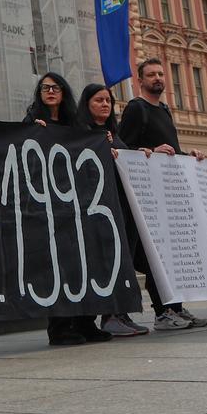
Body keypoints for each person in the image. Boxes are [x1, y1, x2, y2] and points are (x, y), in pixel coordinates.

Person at [116, 57, 207, 330]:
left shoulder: (165, 110)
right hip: (147, 198)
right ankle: (162, 313)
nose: (158, 78)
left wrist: (188, 154)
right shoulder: (136, 108)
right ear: (140, 80)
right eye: (151, 74)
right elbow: (125, 149)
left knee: (172, 255)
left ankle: (176, 307)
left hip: (168, 196)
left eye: (160, 74)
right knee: (156, 256)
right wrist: (150, 153)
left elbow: (170, 149)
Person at [25, 73, 111, 346]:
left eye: (55, 87)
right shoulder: (32, 123)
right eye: (45, 88)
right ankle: (60, 327)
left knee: (83, 263)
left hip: (76, 205)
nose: (50, 92)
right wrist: (31, 132)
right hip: (48, 206)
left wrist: (104, 140)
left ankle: (87, 322)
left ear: (64, 93)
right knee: (57, 266)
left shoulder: (76, 125)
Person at [77, 82, 151, 338]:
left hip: (123, 207)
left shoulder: (112, 133)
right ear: (87, 105)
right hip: (101, 210)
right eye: (99, 100)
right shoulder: (82, 134)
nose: (105, 104)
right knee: (110, 262)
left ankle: (121, 313)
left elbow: (125, 159)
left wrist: (140, 154)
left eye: (108, 100)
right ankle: (109, 315)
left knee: (125, 261)